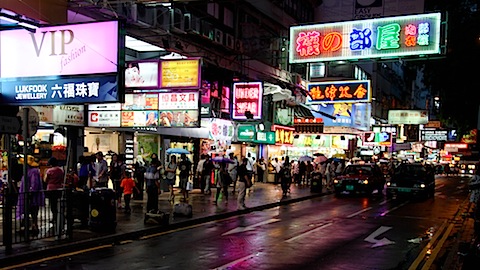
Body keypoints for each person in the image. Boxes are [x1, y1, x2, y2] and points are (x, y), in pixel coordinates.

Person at [16, 155, 45, 235]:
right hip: (27, 195)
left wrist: (30, 192)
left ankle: (33, 227)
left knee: (33, 212)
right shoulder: (28, 171)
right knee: (28, 212)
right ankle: (29, 227)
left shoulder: (33, 171)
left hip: (31, 196)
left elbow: (34, 184)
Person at [44, 157, 65, 227]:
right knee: (59, 204)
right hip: (59, 188)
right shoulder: (61, 170)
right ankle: (60, 218)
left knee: (52, 204)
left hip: (51, 189)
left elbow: (45, 180)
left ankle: (54, 217)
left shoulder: (49, 171)